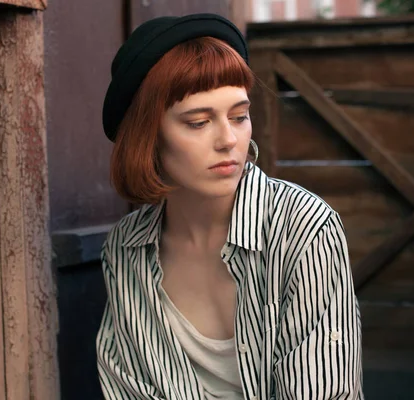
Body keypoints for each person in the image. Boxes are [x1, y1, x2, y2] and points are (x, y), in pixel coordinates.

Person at [96, 13, 363, 400]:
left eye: (239, 116)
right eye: (198, 122)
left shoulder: (303, 228)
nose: (228, 139)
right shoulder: (124, 250)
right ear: (147, 137)